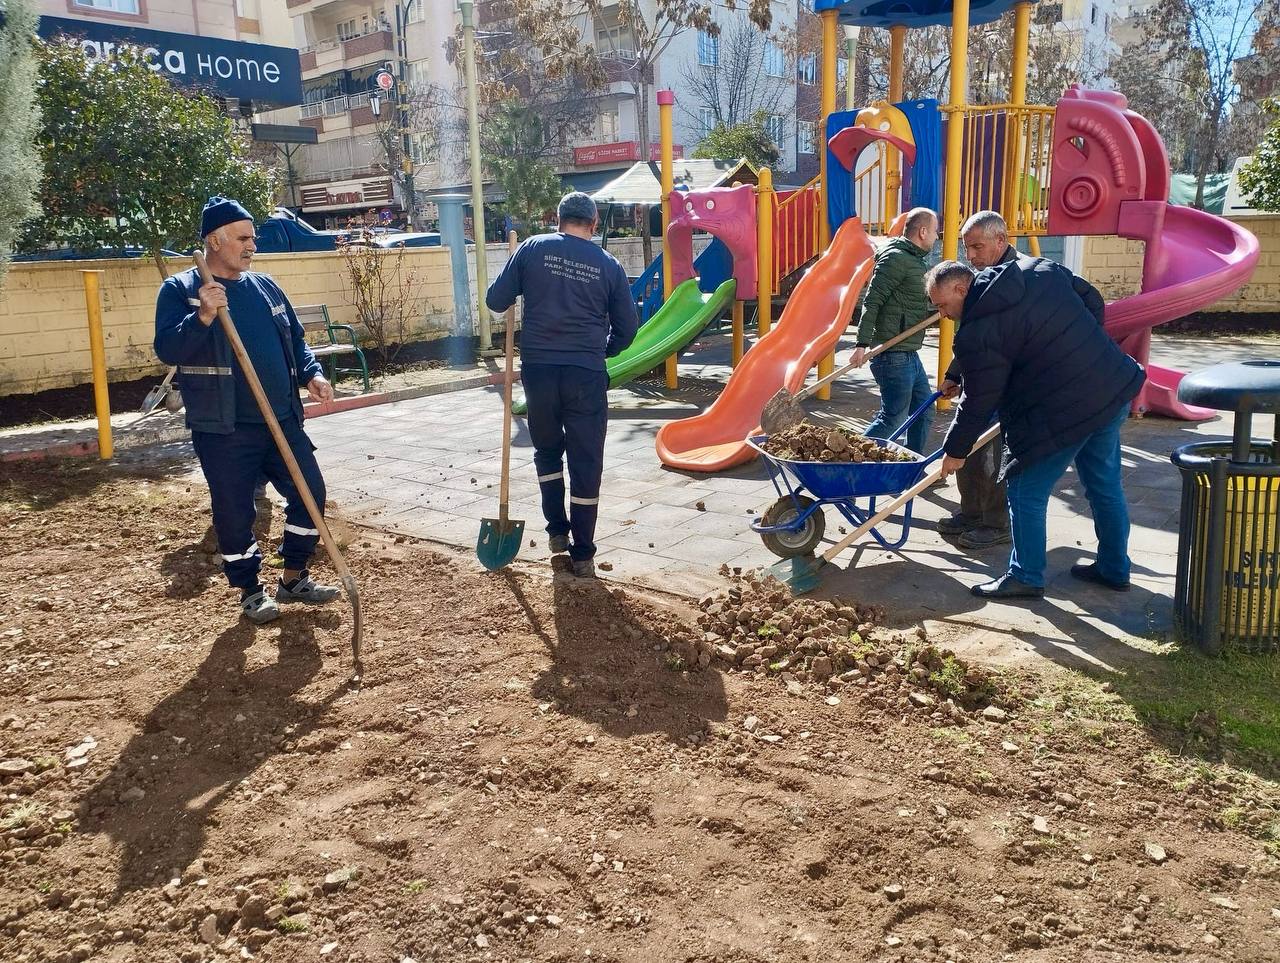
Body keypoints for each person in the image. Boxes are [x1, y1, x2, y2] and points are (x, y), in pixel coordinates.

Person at [154, 197, 341, 623]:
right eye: (243, 237)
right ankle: (250, 590)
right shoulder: (182, 292)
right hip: (225, 429)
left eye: (252, 236)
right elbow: (168, 350)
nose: (252, 244)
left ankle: (293, 577)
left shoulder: (266, 286)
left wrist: (311, 375)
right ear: (214, 241)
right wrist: (202, 315)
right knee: (235, 513)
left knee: (311, 495)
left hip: (283, 419)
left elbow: (295, 341)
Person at [926, 258, 1145, 599]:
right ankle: (1114, 567)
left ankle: (1026, 575)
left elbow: (980, 400)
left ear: (961, 288)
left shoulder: (977, 331)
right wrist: (1077, 347)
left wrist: (955, 451)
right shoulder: (1038, 270)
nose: (943, 314)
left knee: (1025, 490)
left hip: (1063, 409)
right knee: (1104, 486)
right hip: (1110, 387)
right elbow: (1092, 300)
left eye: (942, 305)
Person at [485, 192, 639, 577]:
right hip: (585, 373)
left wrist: (519, 280)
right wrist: (602, 350)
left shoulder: (533, 248)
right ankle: (583, 554)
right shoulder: (609, 265)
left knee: (548, 452)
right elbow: (628, 329)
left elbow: (494, 300)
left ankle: (557, 532)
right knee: (586, 461)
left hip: (539, 369)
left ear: (558, 219)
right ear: (594, 223)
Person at [938, 210, 1107, 550]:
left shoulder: (1035, 274)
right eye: (966, 248)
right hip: (986, 379)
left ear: (1000, 241)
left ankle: (996, 522)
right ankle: (972, 512)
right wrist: (956, 372)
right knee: (969, 447)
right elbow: (974, 337)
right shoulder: (978, 280)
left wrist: (1065, 352)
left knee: (1006, 456)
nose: (970, 256)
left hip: (1018, 387)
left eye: (976, 247)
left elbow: (1092, 303)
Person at [850, 207, 940, 454]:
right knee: (893, 418)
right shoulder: (896, 258)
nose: (936, 237)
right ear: (922, 231)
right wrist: (861, 344)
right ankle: (849, 463)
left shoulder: (912, 259)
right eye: (934, 231)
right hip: (892, 354)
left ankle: (912, 468)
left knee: (924, 409)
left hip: (908, 351)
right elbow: (873, 300)